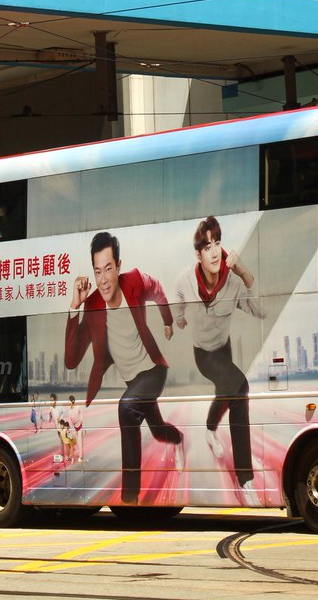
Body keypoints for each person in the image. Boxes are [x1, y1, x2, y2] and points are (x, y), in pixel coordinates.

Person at [64, 231, 183, 504]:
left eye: (108, 269)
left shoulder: (135, 281)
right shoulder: (93, 304)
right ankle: (179, 440)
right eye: (97, 272)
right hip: (134, 383)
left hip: (153, 371)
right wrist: (75, 305)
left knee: (126, 408)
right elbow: (71, 360)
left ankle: (130, 496)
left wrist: (167, 320)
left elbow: (159, 291)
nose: (103, 279)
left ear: (118, 266)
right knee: (157, 429)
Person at [173, 216, 264, 500]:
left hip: (224, 349)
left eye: (217, 243)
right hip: (204, 354)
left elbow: (261, 311)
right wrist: (178, 320)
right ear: (198, 254)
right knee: (240, 389)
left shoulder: (234, 284)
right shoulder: (185, 280)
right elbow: (177, 301)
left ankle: (210, 430)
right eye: (207, 245)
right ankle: (245, 478)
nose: (214, 251)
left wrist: (244, 272)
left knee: (228, 393)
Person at [66, 394, 85, 463]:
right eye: (68, 401)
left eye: (69, 401)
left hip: (79, 426)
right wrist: (73, 429)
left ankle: (80, 456)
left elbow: (81, 412)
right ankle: (79, 455)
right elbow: (70, 420)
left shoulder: (78, 407)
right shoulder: (69, 410)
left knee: (80, 442)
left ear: (73, 401)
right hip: (74, 428)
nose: (69, 403)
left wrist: (81, 420)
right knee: (77, 442)